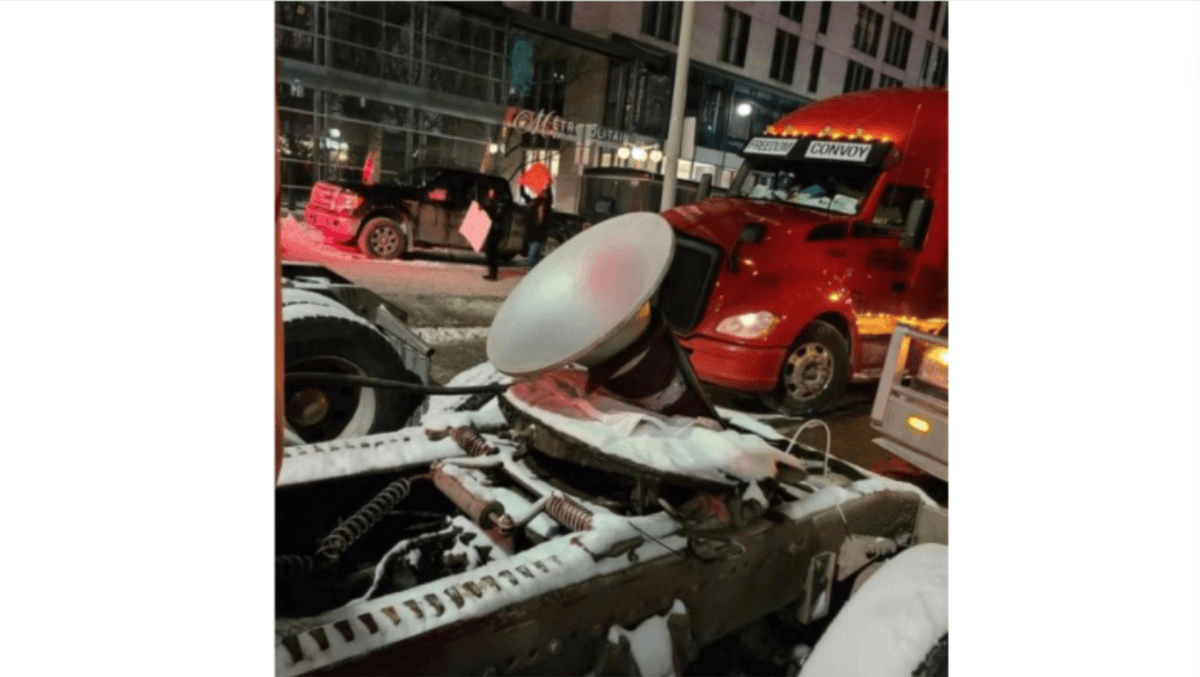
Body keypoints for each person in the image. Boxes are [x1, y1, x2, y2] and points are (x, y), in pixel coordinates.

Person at [479, 181, 510, 281]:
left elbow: (496, 215)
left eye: (491, 191)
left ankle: (493, 274)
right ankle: (491, 272)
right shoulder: (493, 202)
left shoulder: (499, 203)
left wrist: (486, 209)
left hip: (497, 230)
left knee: (492, 252)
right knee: (489, 252)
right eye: (489, 191)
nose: (490, 193)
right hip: (492, 229)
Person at [525, 183, 553, 268]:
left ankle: (533, 274)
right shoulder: (534, 203)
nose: (541, 192)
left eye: (543, 192)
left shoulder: (546, 205)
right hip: (531, 234)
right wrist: (522, 185)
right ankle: (536, 274)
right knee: (534, 257)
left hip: (539, 235)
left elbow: (549, 198)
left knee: (531, 257)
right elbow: (524, 195)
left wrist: (548, 186)